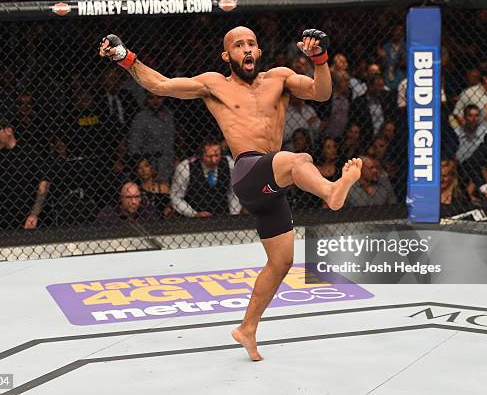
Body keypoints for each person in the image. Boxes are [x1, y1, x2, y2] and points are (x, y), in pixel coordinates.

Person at [99, 26, 362, 361]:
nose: (247, 49)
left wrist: (319, 59)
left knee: (281, 262)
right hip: (249, 171)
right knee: (299, 159)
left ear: (259, 51)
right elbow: (161, 85)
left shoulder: (279, 78)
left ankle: (247, 329)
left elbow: (320, 93)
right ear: (227, 55)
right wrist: (125, 57)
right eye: (238, 45)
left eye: (251, 43)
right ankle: (330, 191)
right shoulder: (214, 84)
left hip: (273, 184)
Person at [170, 138, 240, 217]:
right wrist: (193, 214)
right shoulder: (185, 168)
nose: (214, 160)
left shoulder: (229, 164)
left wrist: (234, 215)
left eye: (217, 155)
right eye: (209, 156)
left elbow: (234, 192)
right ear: (200, 155)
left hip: (223, 215)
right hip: (193, 219)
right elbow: (176, 197)